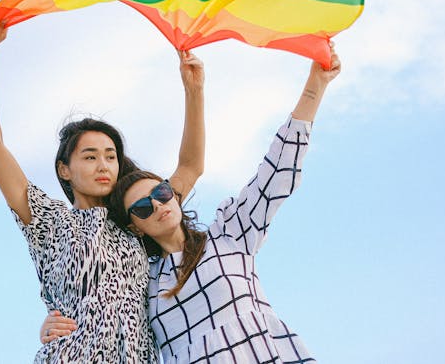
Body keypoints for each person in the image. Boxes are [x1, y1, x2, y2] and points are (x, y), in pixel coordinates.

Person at [43, 43, 341, 363]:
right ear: (135, 227)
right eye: (143, 207)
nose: (157, 206)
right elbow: (97, 315)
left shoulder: (229, 235)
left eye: (161, 194)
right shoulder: (143, 282)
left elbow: (277, 170)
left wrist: (316, 84)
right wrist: (55, 327)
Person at [0, 19, 205, 363]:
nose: (103, 165)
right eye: (90, 156)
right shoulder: (48, 222)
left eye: (111, 156)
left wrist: (194, 91)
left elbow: (190, 167)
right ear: (65, 169)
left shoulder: (138, 217)